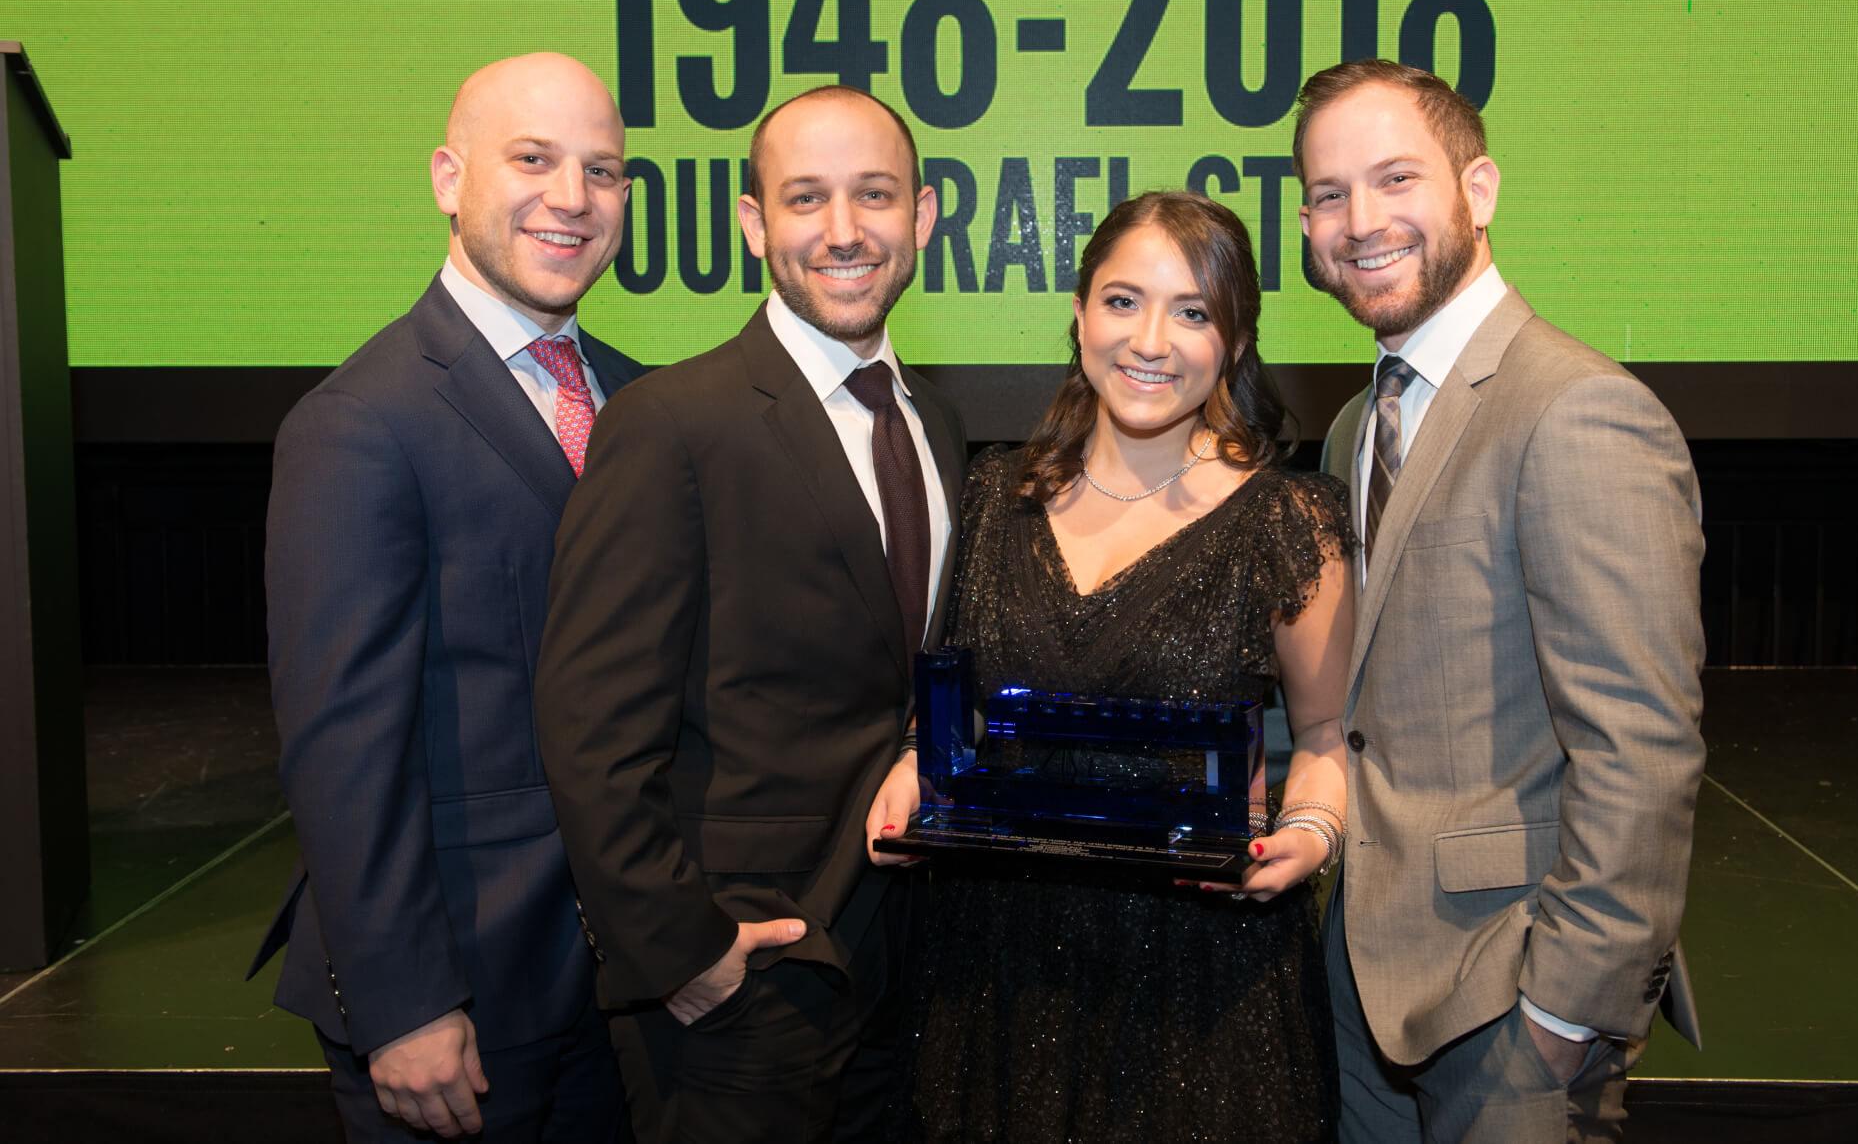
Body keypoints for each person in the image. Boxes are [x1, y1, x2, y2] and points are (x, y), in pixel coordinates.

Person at [532, 85, 966, 1144]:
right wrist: (681, 951)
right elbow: (590, 726)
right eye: (806, 198)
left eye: (875, 194)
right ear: (753, 222)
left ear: (922, 214)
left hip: (904, 970)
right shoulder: (671, 423)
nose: (844, 230)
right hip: (737, 985)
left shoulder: (936, 425)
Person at [1296, 58, 1707, 1143]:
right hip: (1362, 979)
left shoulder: (1579, 411)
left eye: (1395, 179)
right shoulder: (1353, 428)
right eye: (1329, 194)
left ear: (1476, 191)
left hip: (1509, 1000)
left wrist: (1564, 1011)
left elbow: (1641, 744)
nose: (1360, 221)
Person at [897, 190, 1355, 1144]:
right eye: (1122, 301)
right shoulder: (994, 494)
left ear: (1235, 342)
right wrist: (913, 766)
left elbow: (1323, 736)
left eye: (1192, 312)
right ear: (1079, 315)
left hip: (1202, 980)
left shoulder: (1289, 523)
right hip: (999, 965)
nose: (1151, 340)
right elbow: (953, 711)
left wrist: (1309, 835)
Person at [251, 52, 644, 1140]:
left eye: (601, 170)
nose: (572, 198)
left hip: (620, 991)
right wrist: (403, 1000)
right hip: (457, 999)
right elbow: (342, 743)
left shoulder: (639, 400)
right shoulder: (358, 423)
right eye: (533, 159)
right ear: (447, 178)